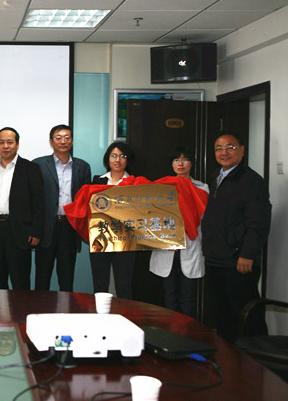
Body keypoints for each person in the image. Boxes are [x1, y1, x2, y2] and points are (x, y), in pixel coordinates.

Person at [202, 132, 271, 342]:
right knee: (222, 314)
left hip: (239, 261)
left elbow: (258, 222)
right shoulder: (216, 177)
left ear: (242, 150)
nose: (224, 152)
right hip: (216, 258)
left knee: (246, 314)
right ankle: (228, 354)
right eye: (219, 148)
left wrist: (248, 254)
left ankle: (258, 355)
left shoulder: (251, 181)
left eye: (230, 147)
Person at [0, 127, 45, 290]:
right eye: (1, 142)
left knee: (20, 281)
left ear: (17, 145)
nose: (5, 146)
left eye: (10, 142)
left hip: (19, 230)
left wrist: (36, 231)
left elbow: (39, 203)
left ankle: (21, 308)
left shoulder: (30, 168)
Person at [149, 148, 208, 318]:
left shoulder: (202, 188)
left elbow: (205, 219)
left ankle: (188, 332)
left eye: (184, 160)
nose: (180, 164)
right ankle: (171, 331)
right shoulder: (162, 187)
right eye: (176, 160)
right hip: (167, 247)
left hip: (190, 245)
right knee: (169, 295)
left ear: (192, 163)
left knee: (188, 297)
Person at [33, 124, 91, 292]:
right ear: (51, 141)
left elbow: (86, 201)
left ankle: (66, 308)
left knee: (66, 280)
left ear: (72, 141)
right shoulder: (38, 164)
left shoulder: (83, 167)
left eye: (67, 138)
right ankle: (39, 308)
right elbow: (33, 199)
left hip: (69, 228)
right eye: (58, 138)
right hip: (46, 229)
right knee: (42, 280)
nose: (63, 141)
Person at [89, 141, 136, 300]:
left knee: (124, 285)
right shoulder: (98, 180)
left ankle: (125, 314)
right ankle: (100, 314)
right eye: (113, 156)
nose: (117, 160)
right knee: (100, 284)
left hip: (126, 240)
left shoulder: (136, 183)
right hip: (100, 238)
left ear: (128, 160)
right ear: (107, 159)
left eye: (122, 156)